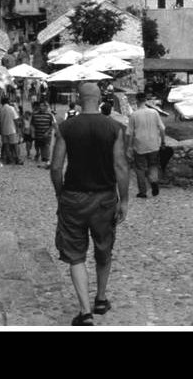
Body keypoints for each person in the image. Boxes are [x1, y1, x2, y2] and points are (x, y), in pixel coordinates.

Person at [50, 82, 129, 326]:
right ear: (100, 99)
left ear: (79, 99)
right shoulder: (115, 127)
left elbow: (55, 167)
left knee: (75, 255)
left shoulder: (65, 128)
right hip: (104, 198)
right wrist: (124, 199)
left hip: (73, 197)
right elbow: (120, 166)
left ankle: (85, 313)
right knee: (104, 249)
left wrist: (60, 193)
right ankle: (101, 299)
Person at [127, 92, 166, 198]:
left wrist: (129, 147)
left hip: (139, 146)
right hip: (153, 145)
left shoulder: (134, 115)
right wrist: (163, 141)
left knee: (140, 168)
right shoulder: (154, 112)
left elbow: (130, 133)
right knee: (153, 165)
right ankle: (154, 182)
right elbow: (162, 128)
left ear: (136, 101)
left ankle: (143, 192)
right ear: (145, 100)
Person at [30, 100, 58, 168]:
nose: (41, 107)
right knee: (41, 147)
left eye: (43, 106)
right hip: (38, 134)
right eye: (40, 105)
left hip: (47, 135)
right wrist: (33, 132)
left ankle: (47, 161)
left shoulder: (50, 115)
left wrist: (48, 132)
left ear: (46, 107)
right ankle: (44, 160)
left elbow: (53, 125)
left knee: (46, 146)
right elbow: (32, 124)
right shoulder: (35, 114)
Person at [0, 97, 20, 165]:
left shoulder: (0, 110)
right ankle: (17, 158)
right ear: (8, 101)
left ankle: (9, 159)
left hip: (4, 130)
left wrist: (0, 131)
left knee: (6, 145)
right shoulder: (12, 108)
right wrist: (17, 129)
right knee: (15, 144)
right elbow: (16, 120)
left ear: (2, 102)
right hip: (12, 129)